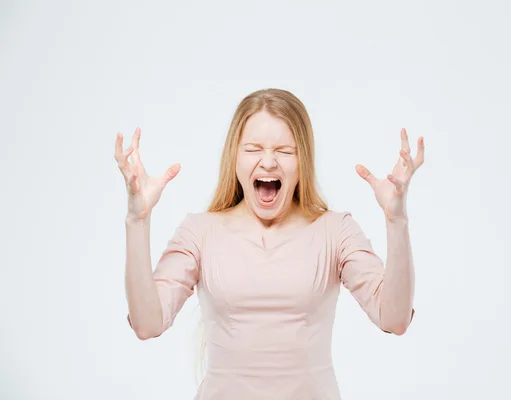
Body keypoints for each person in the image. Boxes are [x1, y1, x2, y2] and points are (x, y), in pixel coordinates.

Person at [115, 88, 424, 399]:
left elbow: (394, 319)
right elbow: (147, 324)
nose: (268, 162)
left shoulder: (336, 230)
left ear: (303, 159)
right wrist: (137, 221)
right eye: (253, 149)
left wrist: (397, 221)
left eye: (285, 151)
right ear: (233, 158)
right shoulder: (200, 231)